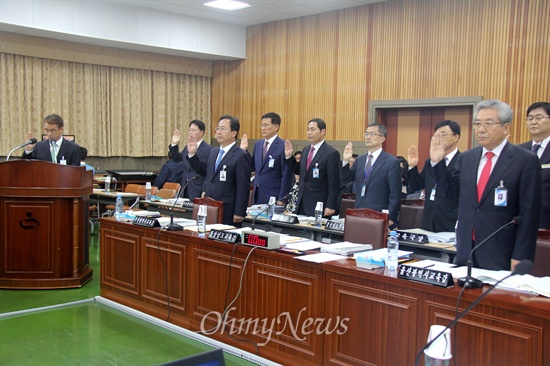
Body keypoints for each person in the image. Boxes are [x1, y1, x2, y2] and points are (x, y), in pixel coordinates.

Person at [433, 100, 541, 271]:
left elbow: (529, 214)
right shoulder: (467, 158)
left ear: (506, 128)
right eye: (477, 124)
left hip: (501, 251)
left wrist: (520, 256)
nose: (481, 129)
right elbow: (451, 196)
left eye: (488, 124)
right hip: (466, 248)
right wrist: (437, 163)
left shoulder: (525, 160)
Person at [186, 115, 252, 226]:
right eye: (217, 128)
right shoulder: (213, 152)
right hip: (210, 206)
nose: (218, 132)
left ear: (233, 133)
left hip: (228, 209)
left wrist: (239, 211)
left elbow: (243, 186)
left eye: (223, 129)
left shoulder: (240, 155)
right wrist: (192, 154)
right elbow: (206, 173)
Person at [341, 124, 401, 228]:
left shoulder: (391, 162)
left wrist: (390, 217)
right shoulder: (360, 160)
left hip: (379, 215)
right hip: (359, 212)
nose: (368, 137)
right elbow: (347, 180)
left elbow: (395, 194)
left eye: (372, 134)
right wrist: (346, 161)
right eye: (366, 134)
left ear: (382, 138)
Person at [407, 120, 461, 232]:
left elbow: (451, 192)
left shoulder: (462, 161)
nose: (439, 138)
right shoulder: (429, 162)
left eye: (443, 134)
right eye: (436, 134)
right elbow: (415, 187)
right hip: (428, 222)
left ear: (456, 137)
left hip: (449, 224)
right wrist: (412, 167)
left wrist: (438, 163)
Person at [284, 118, 340, 217]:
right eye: (308, 129)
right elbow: (300, 171)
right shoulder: (306, 150)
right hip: (301, 202)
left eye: (313, 129)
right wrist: (289, 157)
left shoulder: (331, 153)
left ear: (323, 132)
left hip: (319, 204)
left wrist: (331, 206)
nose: (309, 132)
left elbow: (334, 183)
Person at [240, 112, 293, 205]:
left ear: (276, 127)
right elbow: (252, 167)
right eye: (261, 125)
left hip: (274, 196)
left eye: (266, 125)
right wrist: (244, 151)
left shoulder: (282, 145)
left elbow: (286, 175)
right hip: (257, 193)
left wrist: (282, 199)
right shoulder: (258, 144)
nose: (263, 128)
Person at [518, 102, 550, 229]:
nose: (533, 122)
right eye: (530, 118)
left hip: (546, 221)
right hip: (520, 220)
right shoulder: (518, 151)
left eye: (539, 117)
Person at [169, 120, 212, 200]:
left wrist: (205, 189)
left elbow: (205, 171)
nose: (191, 132)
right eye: (190, 130)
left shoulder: (209, 149)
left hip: (198, 188)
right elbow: (176, 159)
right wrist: (174, 144)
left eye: (194, 130)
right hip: (185, 187)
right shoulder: (187, 147)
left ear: (202, 132)